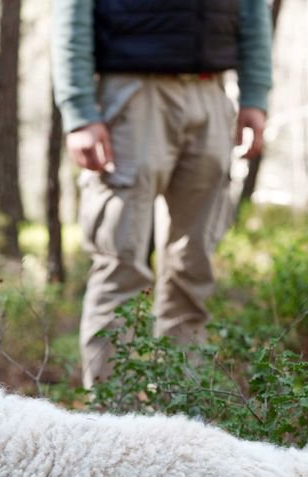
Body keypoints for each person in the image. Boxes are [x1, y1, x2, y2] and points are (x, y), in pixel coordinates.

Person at [51, 0, 273, 388]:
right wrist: (80, 111)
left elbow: (252, 8)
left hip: (211, 93)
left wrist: (254, 95)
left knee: (193, 265)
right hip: (132, 93)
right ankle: (112, 418)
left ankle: (181, 410)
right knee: (120, 261)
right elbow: (72, 11)